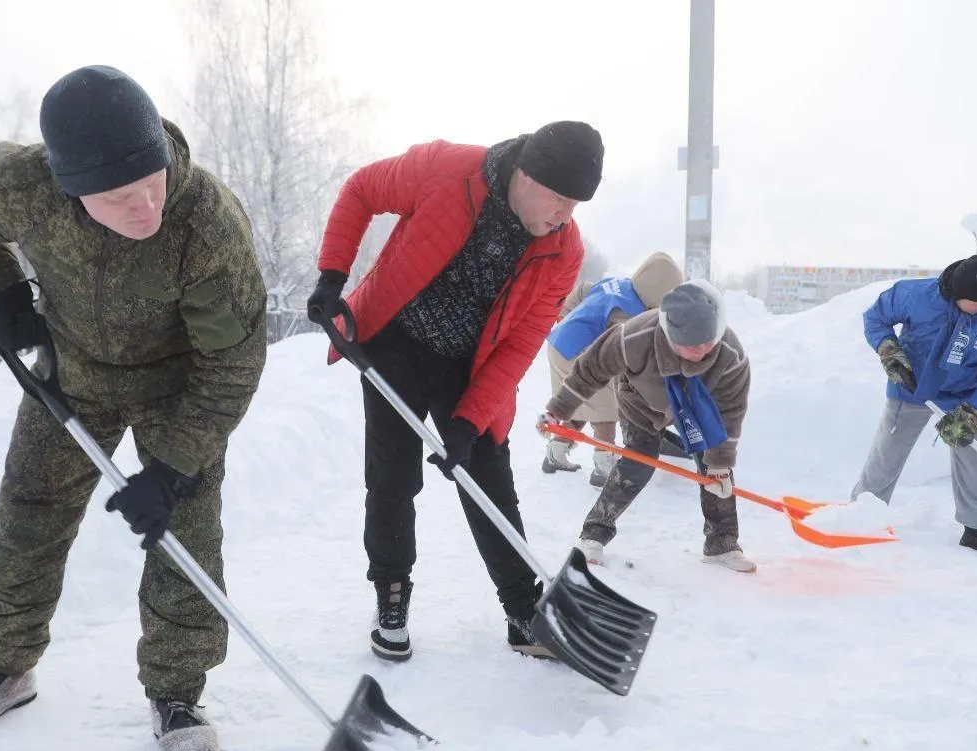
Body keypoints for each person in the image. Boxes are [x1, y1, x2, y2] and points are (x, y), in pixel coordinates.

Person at [0, 66, 267, 751]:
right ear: (70, 188)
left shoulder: (204, 224)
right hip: (72, 373)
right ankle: (4, 667)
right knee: (30, 509)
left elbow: (231, 361)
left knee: (183, 526)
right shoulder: (19, 189)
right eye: (118, 196)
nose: (145, 208)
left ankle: (177, 692)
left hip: (178, 383)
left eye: (152, 183)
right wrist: (5, 294)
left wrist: (169, 465)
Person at [307, 120, 604, 661]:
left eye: (576, 204)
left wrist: (468, 422)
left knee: (487, 478)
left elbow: (522, 344)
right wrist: (332, 278)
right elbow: (361, 191)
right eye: (560, 198)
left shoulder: (564, 251)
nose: (566, 214)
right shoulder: (444, 168)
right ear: (525, 174)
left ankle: (523, 611)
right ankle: (391, 595)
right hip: (397, 341)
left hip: (474, 364)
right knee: (393, 476)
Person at [542, 279, 756, 572]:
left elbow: (730, 412)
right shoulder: (635, 336)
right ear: (670, 334)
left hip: (699, 407)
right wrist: (557, 410)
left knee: (716, 470)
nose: (702, 350)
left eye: (708, 342)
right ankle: (593, 536)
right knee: (638, 460)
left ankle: (722, 544)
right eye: (690, 345)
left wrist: (719, 462)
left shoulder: (731, 357)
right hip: (641, 400)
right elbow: (590, 370)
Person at [851, 255, 977, 556]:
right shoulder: (915, 295)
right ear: (958, 295)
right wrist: (888, 349)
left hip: (968, 396)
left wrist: (975, 412)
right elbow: (875, 317)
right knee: (887, 455)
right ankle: (859, 520)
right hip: (912, 386)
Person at [542, 252, 685, 484]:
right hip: (581, 353)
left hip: (560, 344)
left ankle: (555, 453)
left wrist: (566, 317)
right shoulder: (630, 313)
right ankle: (603, 466)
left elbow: (580, 292)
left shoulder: (617, 284)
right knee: (607, 409)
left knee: (579, 403)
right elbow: (625, 352)